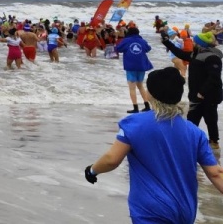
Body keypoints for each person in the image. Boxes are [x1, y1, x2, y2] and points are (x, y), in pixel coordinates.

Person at [85, 67, 223, 223]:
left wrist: (92, 170)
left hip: (151, 210)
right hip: (185, 210)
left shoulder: (134, 124)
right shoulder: (194, 132)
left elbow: (112, 159)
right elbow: (216, 173)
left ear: (150, 94)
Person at [163, 29, 223, 149]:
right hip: (196, 94)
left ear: (201, 44)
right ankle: (188, 140)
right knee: (192, 117)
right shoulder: (196, 54)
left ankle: (214, 142)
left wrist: (203, 92)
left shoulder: (212, 58)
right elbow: (181, 54)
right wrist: (167, 42)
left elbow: (214, 78)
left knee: (210, 118)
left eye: (195, 42)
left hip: (209, 95)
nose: (193, 44)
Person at [116, 27, 154, 114]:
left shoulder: (126, 40)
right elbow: (148, 48)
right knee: (140, 85)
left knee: (132, 87)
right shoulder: (142, 40)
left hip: (130, 66)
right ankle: (147, 106)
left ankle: (135, 107)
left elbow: (118, 49)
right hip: (141, 66)